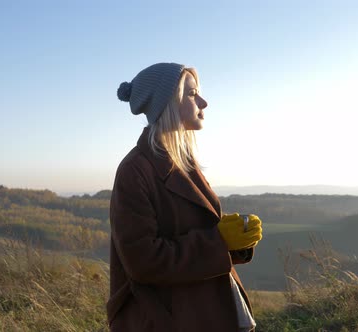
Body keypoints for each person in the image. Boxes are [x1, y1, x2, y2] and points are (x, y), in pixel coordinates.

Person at [107, 62, 263, 331]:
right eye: (192, 94)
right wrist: (219, 241)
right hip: (168, 318)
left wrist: (235, 242)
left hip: (203, 310)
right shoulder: (135, 171)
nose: (204, 102)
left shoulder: (183, 162)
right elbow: (143, 261)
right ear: (167, 103)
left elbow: (191, 233)